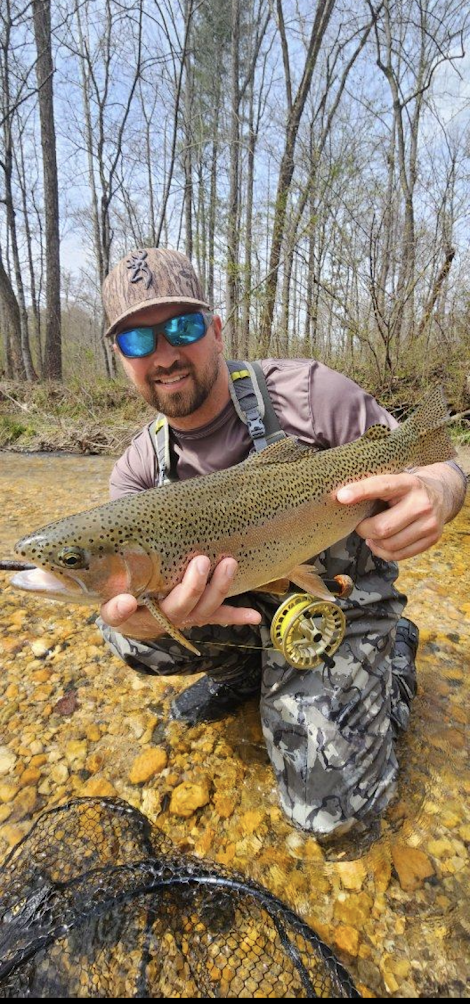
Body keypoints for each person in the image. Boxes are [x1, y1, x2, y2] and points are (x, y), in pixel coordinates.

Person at [97, 247, 467, 837]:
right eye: (138, 341)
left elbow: (437, 454)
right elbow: (120, 600)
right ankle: (250, 674)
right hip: (241, 606)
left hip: (333, 607)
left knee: (330, 816)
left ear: (216, 331)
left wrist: (444, 490)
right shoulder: (138, 473)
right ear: (121, 358)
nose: (164, 354)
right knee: (123, 632)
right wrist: (135, 621)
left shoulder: (309, 392)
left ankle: (391, 652)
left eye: (182, 327)